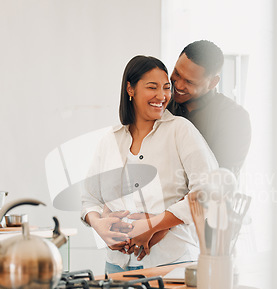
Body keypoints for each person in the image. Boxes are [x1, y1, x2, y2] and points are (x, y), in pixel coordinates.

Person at [81, 55, 218, 273]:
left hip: (170, 262)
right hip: (116, 264)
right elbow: (89, 198)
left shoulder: (180, 130)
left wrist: (152, 225)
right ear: (130, 89)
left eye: (166, 87)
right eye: (152, 87)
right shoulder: (111, 139)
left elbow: (209, 191)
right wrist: (99, 225)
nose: (162, 96)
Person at [167, 40, 251, 178]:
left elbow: (220, 180)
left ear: (212, 83)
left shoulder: (234, 118)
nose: (179, 85)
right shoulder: (163, 105)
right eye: (177, 73)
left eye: (189, 82)